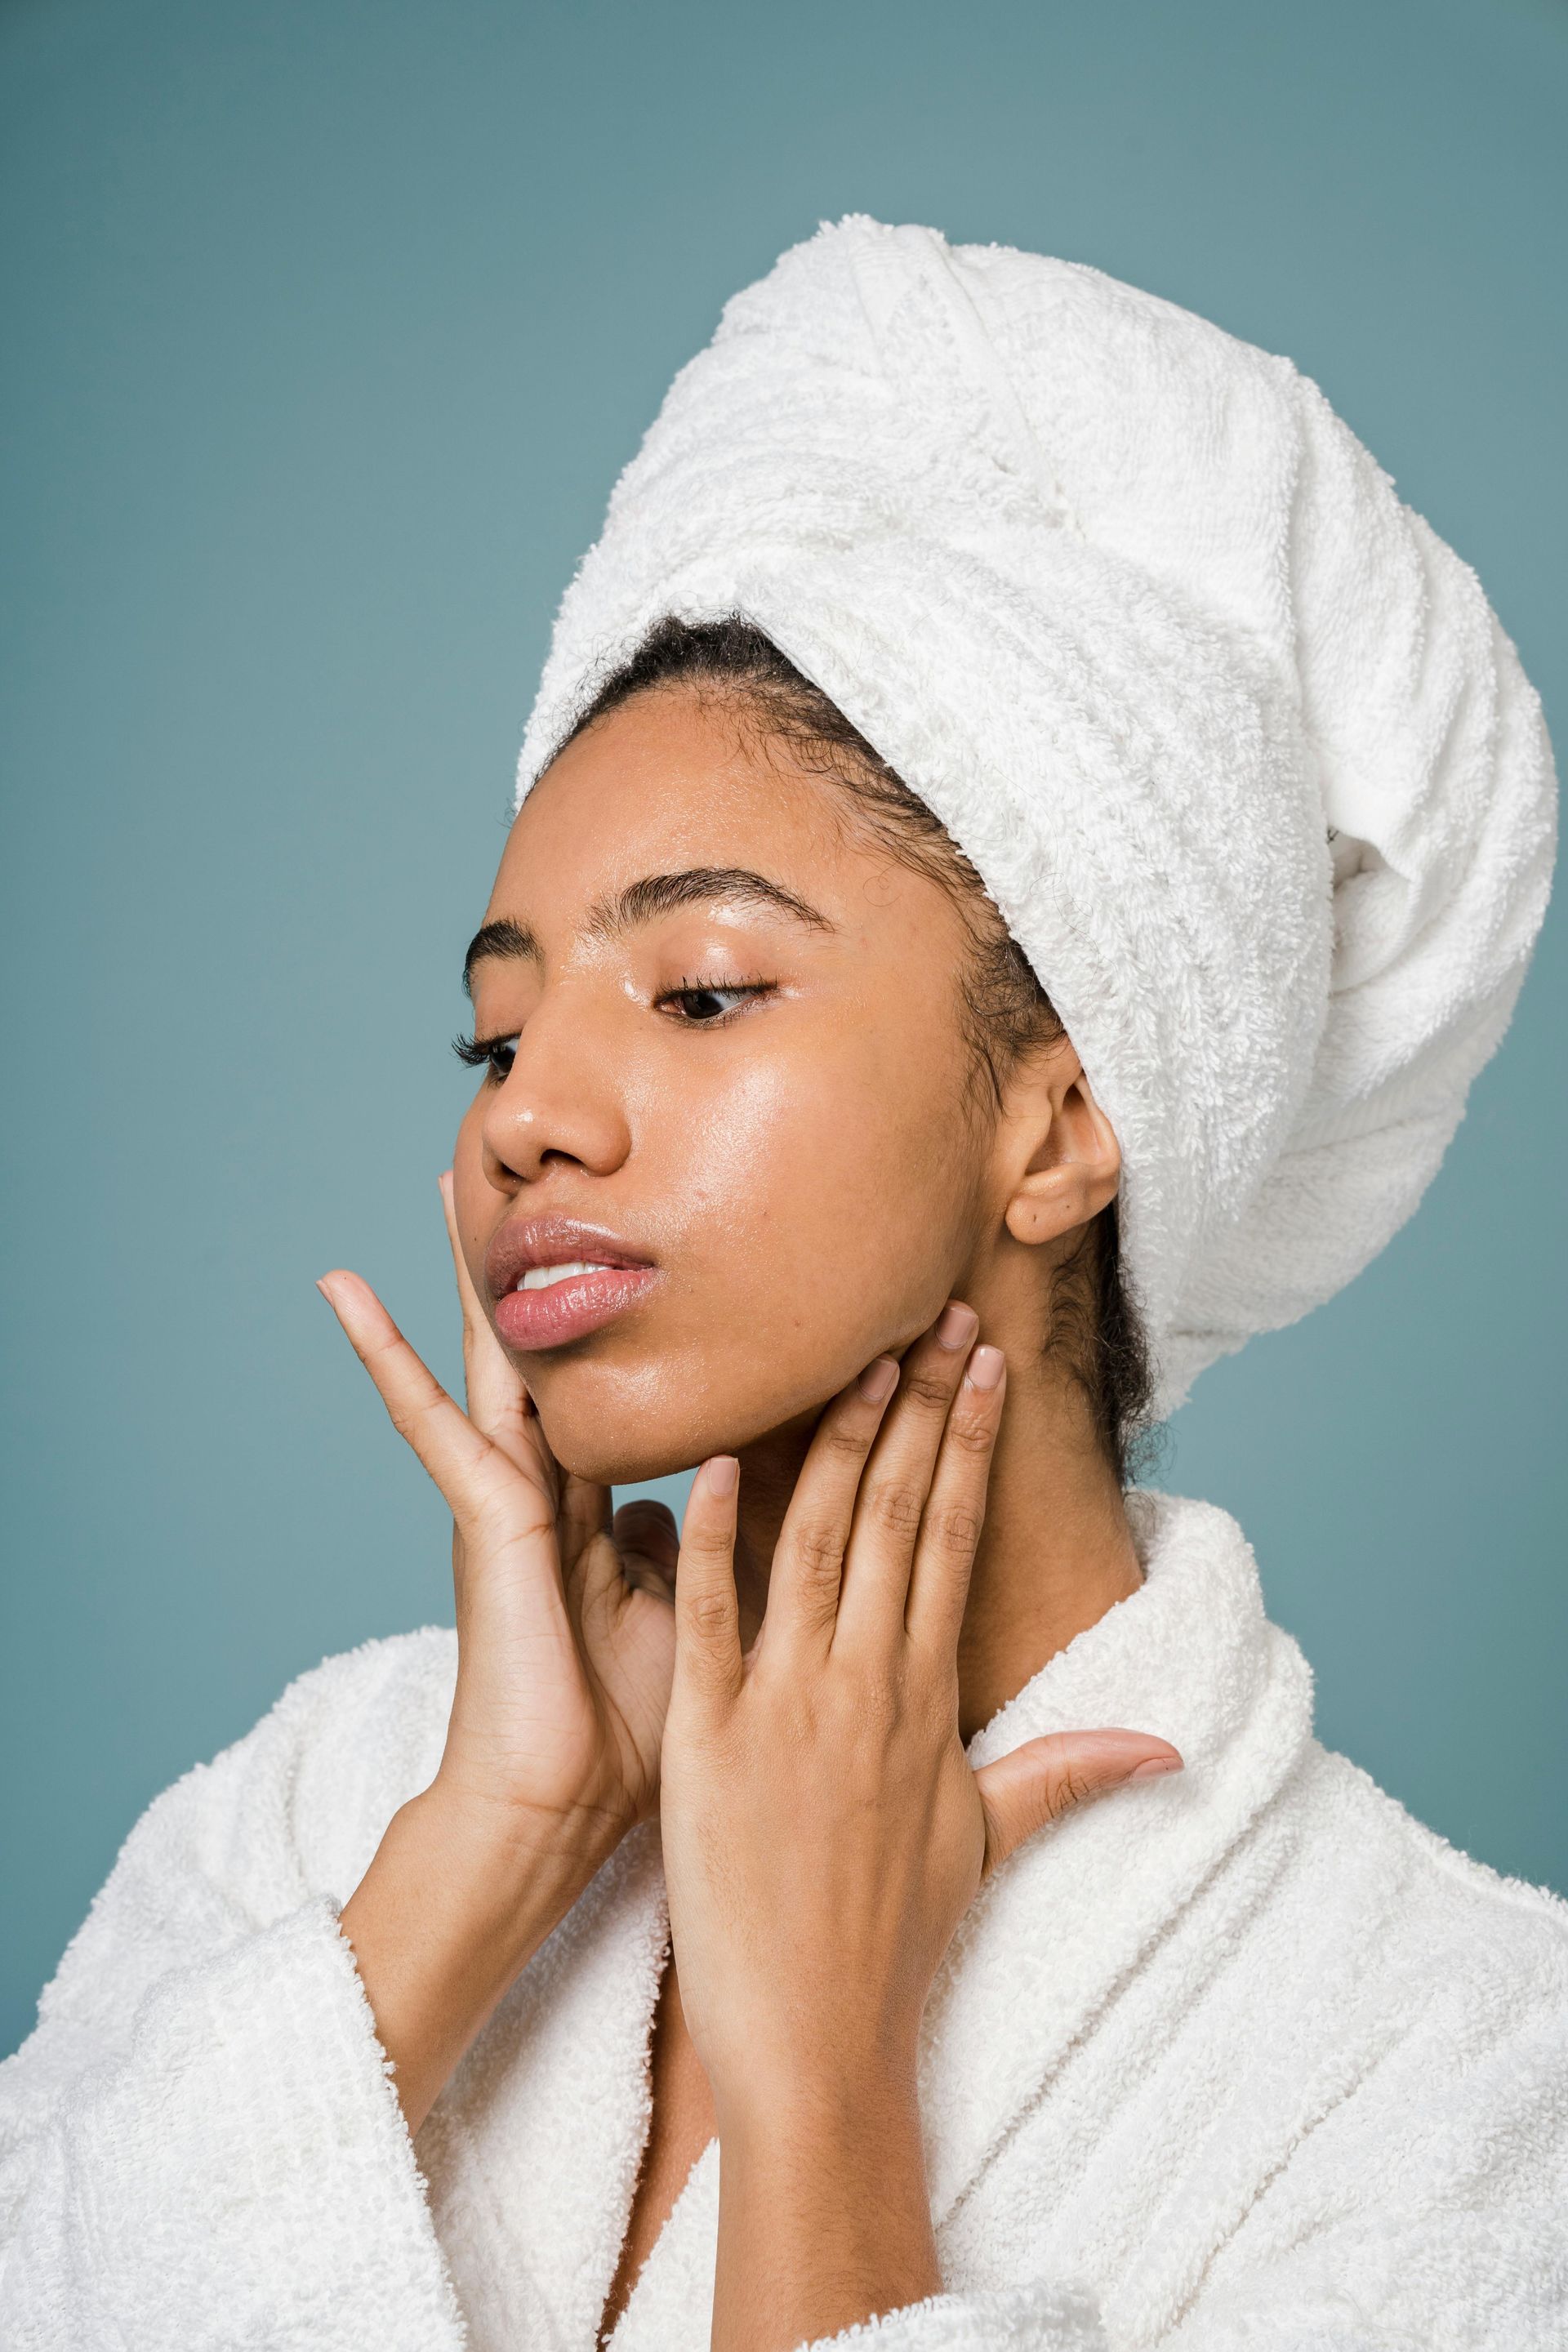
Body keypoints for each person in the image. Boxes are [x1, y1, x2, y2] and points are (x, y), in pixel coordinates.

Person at [1, 217, 1563, 2352]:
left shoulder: (1460, 2069)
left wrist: (828, 2097)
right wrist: (491, 1851)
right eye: (498, 1031)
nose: (525, 1116)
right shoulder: (327, 1808)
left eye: (707, 990)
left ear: (1055, 1124)